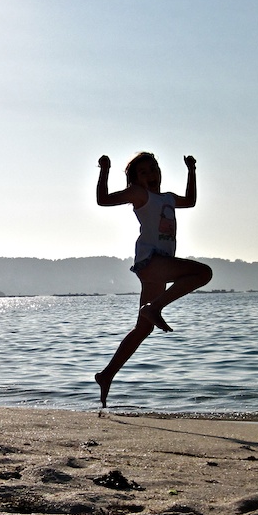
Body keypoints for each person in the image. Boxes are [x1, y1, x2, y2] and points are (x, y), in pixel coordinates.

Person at [94, 152, 212, 407]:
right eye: (144, 171)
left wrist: (192, 171)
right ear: (135, 178)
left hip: (158, 267)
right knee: (203, 273)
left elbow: (190, 201)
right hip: (152, 261)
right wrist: (105, 169)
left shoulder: (167, 198)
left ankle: (106, 375)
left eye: (154, 168)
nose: (151, 174)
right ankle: (155, 307)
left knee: (143, 328)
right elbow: (103, 200)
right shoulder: (139, 194)